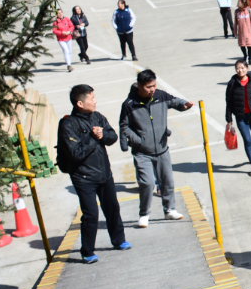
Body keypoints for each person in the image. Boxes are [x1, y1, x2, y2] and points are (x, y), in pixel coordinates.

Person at [59, 84, 130, 263]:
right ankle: (87, 251)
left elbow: (112, 137)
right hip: (83, 178)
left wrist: (103, 134)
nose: (95, 101)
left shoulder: (97, 117)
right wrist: (94, 137)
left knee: (112, 208)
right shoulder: (68, 124)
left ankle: (119, 240)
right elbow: (76, 153)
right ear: (80, 103)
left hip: (104, 173)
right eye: (91, 98)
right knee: (91, 214)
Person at [119, 69, 194, 227]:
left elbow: (174, 101)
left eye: (153, 85)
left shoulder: (160, 96)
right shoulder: (129, 104)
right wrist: (138, 140)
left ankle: (169, 210)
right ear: (139, 86)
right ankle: (144, 214)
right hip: (142, 152)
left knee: (167, 181)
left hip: (162, 149)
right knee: (147, 183)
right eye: (148, 87)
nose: (152, 89)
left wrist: (184, 105)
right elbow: (124, 126)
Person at [225, 59, 251, 176]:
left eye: (242, 68)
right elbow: (229, 103)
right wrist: (229, 119)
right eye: (238, 68)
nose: (240, 70)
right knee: (248, 141)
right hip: (241, 118)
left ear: (247, 68)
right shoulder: (232, 84)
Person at [233, 0, 251, 64]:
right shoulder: (237, 11)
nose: (238, 3)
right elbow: (235, 23)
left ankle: (250, 59)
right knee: (242, 45)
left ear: (244, 3)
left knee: (249, 46)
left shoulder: (250, 11)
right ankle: (245, 55)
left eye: (239, 2)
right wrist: (235, 31)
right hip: (241, 33)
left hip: (249, 32)